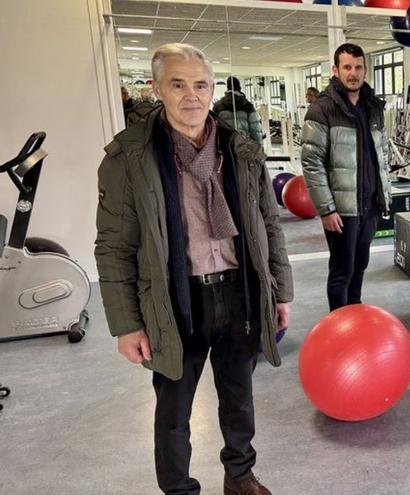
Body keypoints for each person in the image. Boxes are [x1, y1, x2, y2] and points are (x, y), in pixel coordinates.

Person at [95, 43, 293, 494]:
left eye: (201, 85)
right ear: (157, 88)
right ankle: (180, 490)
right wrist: (127, 325)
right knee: (174, 412)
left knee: (239, 399)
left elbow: (268, 224)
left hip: (239, 292)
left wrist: (280, 291)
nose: (192, 96)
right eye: (178, 84)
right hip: (174, 300)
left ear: (212, 89)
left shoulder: (240, 150)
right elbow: (113, 246)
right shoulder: (130, 158)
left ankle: (240, 476)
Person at [300, 43, 391, 311]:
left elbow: (382, 153)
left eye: (358, 67)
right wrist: (326, 209)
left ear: (365, 70)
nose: (353, 73)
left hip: (370, 205)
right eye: (347, 67)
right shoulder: (322, 109)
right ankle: (339, 324)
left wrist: (385, 196)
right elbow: (312, 162)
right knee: (342, 271)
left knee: (360, 266)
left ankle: (355, 316)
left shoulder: (373, 107)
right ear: (335, 70)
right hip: (342, 210)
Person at [213, 76, 263, 143]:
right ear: (239, 87)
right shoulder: (247, 105)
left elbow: (213, 129)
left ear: (227, 88)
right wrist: (259, 146)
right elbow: (255, 130)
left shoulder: (218, 106)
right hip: (243, 144)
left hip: (225, 144)